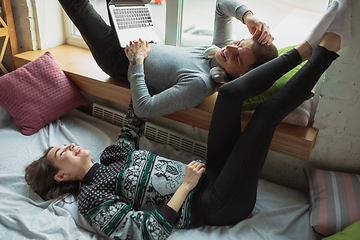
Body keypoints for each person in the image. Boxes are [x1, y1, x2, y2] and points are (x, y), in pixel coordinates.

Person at [25, 0, 352, 239]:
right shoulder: (91, 200)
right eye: (60, 153)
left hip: (208, 176)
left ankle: (307, 50)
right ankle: (322, 56)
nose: (68, 145)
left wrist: (138, 54)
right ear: (62, 176)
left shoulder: (111, 155)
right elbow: (146, 232)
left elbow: (134, 119)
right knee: (264, 119)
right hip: (213, 203)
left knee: (227, 96)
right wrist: (184, 187)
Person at [59, 0, 278, 118]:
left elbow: (144, 108)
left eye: (237, 56)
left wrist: (136, 62)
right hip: (139, 39)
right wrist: (248, 16)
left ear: (241, 75)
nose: (230, 47)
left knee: (77, 4)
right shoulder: (221, 52)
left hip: (119, 60)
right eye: (239, 42)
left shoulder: (199, 83)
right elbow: (222, 5)